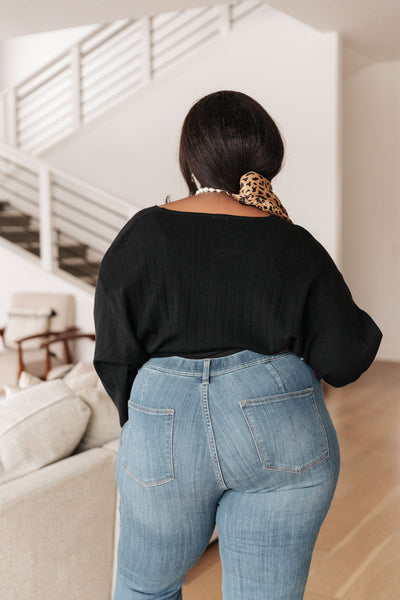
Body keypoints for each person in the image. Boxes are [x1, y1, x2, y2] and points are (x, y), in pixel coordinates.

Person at [93, 90, 382, 600]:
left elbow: (115, 354)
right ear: (265, 162)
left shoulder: (141, 234)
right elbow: (345, 357)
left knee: (145, 589)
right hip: (280, 426)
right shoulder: (289, 240)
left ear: (190, 159)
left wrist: (150, 423)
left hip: (164, 426)